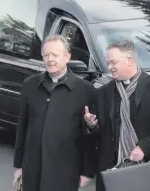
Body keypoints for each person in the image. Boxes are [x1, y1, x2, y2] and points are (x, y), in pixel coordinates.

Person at [84, 39, 150, 191]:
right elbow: (98, 135)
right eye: (108, 63)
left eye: (113, 62)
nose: (109, 67)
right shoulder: (102, 93)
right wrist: (92, 125)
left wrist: (144, 147)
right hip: (113, 171)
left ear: (129, 60)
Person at [13, 34, 96, 191]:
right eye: (46, 55)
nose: (50, 59)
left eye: (55, 55)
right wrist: (19, 165)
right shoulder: (30, 85)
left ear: (67, 57)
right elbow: (22, 127)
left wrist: (87, 172)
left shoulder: (85, 90)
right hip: (33, 168)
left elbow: (89, 139)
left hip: (64, 171)